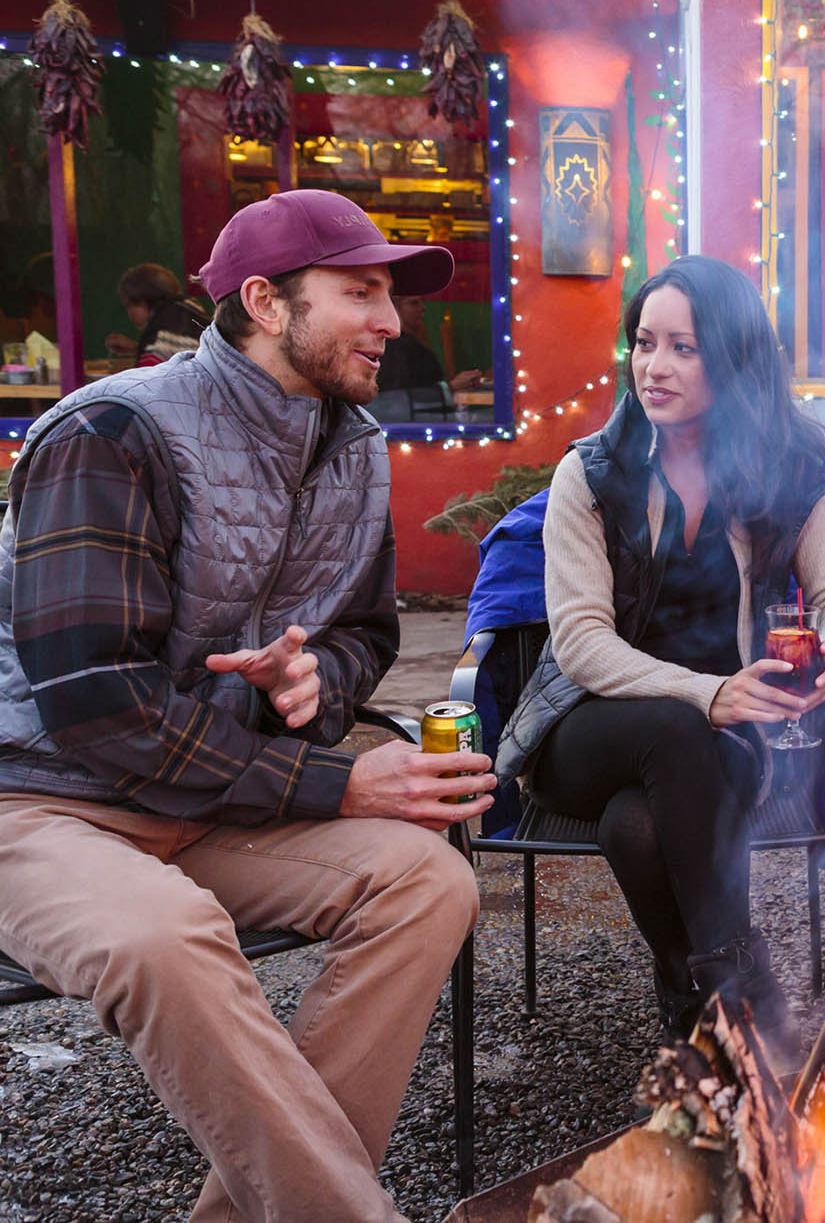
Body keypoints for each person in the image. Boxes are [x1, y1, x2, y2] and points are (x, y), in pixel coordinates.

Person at [0, 188, 495, 1222]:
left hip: (208, 799)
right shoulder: (111, 431)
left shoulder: (352, 444)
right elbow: (96, 701)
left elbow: (366, 632)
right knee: (164, 936)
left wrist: (313, 688)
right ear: (266, 302)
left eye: (389, 297)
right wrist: (335, 776)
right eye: (359, 292)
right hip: (40, 800)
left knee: (427, 881)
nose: (392, 323)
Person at [494, 255, 825, 1067]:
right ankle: (746, 988)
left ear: (732, 361)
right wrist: (711, 692)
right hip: (588, 731)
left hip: (723, 745)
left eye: (682, 348)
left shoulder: (776, 472)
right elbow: (583, 645)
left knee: (638, 827)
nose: (653, 367)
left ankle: (688, 1001)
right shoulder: (591, 474)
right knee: (669, 730)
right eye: (643, 342)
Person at [378, 293, 485, 395]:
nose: (422, 307)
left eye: (423, 302)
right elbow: (399, 396)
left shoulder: (413, 343)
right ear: (395, 308)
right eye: (414, 303)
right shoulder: (393, 347)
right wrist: (451, 387)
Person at [110, 262, 209, 365]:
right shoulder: (193, 307)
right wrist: (137, 348)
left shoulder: (156, 344)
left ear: (142, 304)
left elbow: (148, 377)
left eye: (128, 306)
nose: (130, 314)